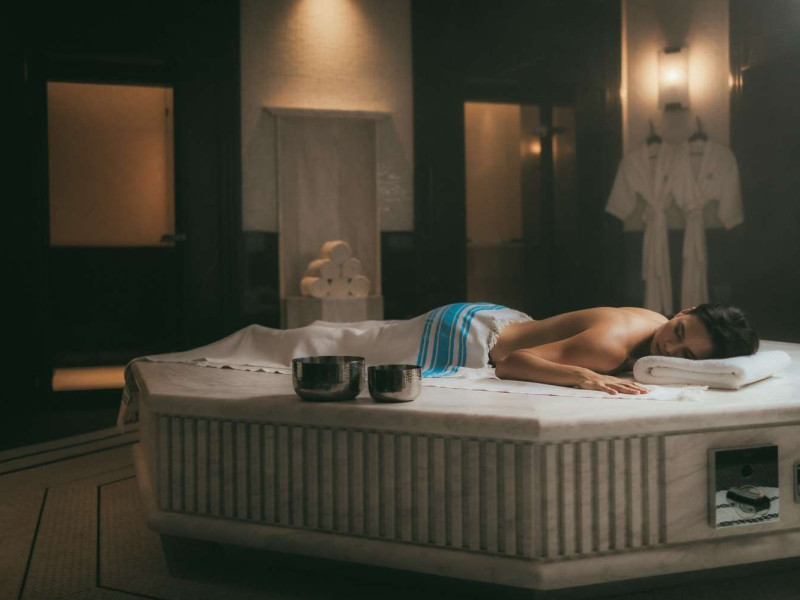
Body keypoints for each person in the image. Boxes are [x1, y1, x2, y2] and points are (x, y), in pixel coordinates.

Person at [491, 303, 759, 395]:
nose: (669, 347)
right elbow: (510, 363)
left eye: (686, 354)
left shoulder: (658, 321)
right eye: (679, 332)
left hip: (502, 318)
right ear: (685, 311)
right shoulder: (609, 350)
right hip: (477, 335)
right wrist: (584, 376)